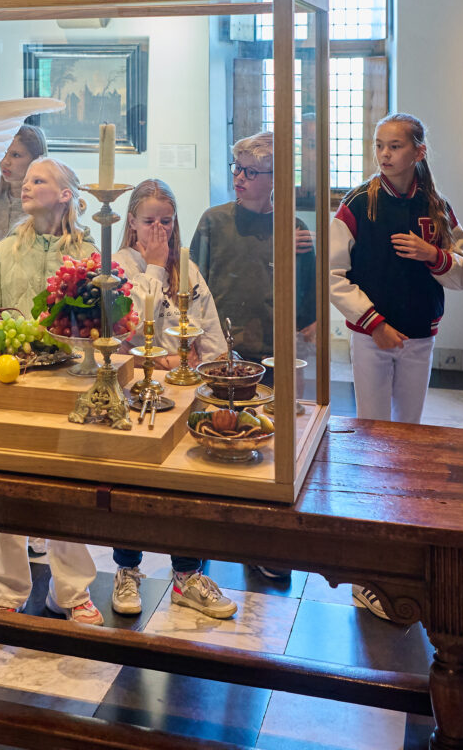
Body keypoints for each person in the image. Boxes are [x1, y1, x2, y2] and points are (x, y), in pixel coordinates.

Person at [0, 156, 104, 625]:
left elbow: (101, 322)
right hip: (14, 379)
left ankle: (70, 592)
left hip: (69, 380)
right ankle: (6, 589)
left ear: (66, 194)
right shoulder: (4, 252)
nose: (25, 186)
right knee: (5, 484)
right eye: (25, 179)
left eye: (38, 180)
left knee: (67, 486)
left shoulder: (90, 254)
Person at [189, 131, 317, 585]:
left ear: (275, 180)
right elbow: (191, 282)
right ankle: (197, 548)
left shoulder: (295, 228)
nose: (239, 178)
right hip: (221, 354)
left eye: (250, 172)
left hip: (275, 353)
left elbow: (308, 291)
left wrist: (307, 328)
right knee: (215, 446)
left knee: (267, 450)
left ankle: (265, 545)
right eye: (236, 169)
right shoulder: (213, 221)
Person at [107, 180, 236, 620]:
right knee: (131, 482)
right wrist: (156, 268)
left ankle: (187, 573)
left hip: (184, 390)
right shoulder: (119, 265)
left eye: (167, 221)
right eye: (149, 221)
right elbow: (131, 335)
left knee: (188, 485)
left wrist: (204, 364)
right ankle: (127, 568)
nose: (158, 230)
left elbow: (209, 337)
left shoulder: (189, 268)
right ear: (131, 223)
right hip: (134, 392)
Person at [330, 113, 463, 425]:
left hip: (419, 334)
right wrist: (376, 326)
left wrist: (433, 255)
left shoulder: (437, 206)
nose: (384, 154)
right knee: (372, 426)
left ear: (418, 152)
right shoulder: (356, 203)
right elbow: (331, 275)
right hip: (371, 335)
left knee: (410, 427)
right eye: (379, 145)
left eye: (395, 146)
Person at [0, 123, 46, 308]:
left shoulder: (44, 207)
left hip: (28, 305)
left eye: (15, 155)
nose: (5, 161)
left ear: (36, 159)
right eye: (3, 152)